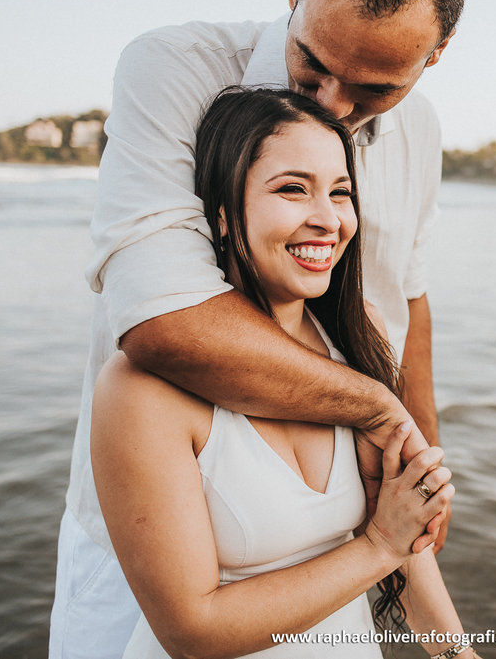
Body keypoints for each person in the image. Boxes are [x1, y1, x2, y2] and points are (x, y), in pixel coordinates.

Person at [50, 0, 469, 659]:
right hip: (149, 536)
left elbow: (407, 298)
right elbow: (161, 320)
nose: (334, 107)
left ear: (433, 55)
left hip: (341, 524)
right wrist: (378, 408)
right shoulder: (173, 69)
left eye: (374, 88)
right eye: (313, 63)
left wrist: (419, 464)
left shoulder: (424, 131)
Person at [94, 87, 474, 659]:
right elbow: (191, 630)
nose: (327, 220)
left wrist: (460, 656)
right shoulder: (140, 390)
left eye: (340, 193)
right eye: (293, 189)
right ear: (222, 216)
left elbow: (411, 550)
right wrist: (377, 546)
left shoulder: (355, 341)